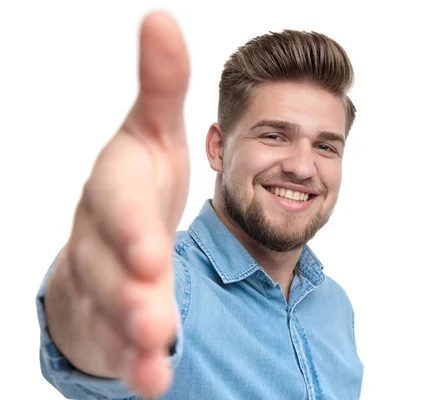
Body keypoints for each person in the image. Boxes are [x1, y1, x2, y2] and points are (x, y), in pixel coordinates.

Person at [37, 11, 363, 400]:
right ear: (218, 148)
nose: (302, 167)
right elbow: (94, 331)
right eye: (275, 136)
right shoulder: (171, 284)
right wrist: (89, 286)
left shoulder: (335, 307)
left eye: (325, 146)